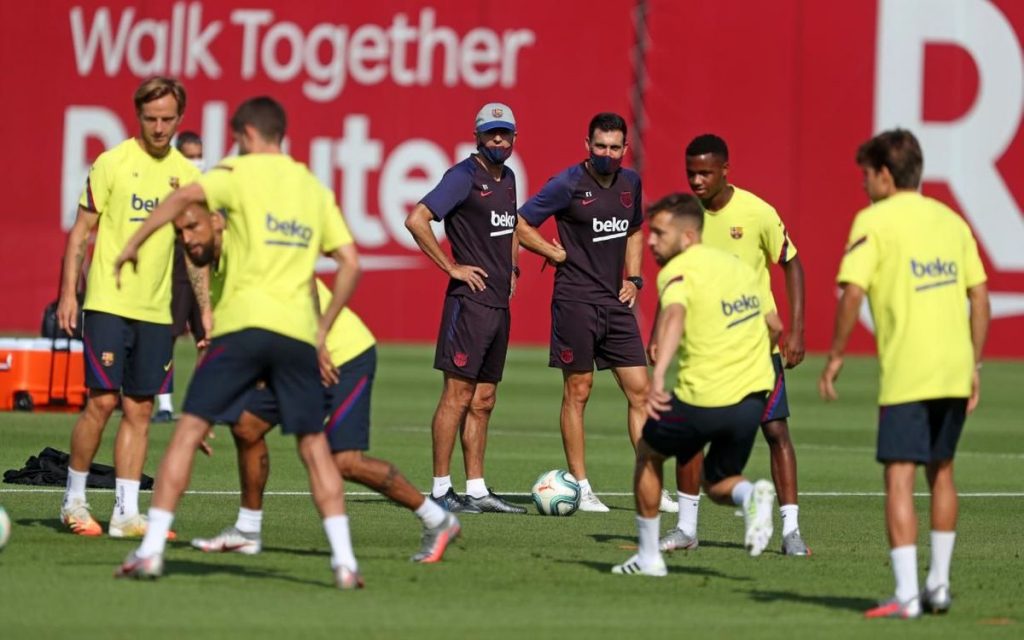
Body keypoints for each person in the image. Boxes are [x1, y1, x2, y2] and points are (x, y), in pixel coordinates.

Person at [111, 96, 364, 589]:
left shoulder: (237, 172)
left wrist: (133, 243)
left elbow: (182, 200)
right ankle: (345, 563)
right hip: (294, 334)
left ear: (247, 134)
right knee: (314, 448)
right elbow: (351, 262)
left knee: (186, 433)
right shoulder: (312, 187)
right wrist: (321, 325)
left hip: (242, 328)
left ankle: (150, 551)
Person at [174, 205, 460, 563]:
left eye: (191, 230)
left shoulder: (249, 250)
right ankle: (247, 530)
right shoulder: (210, 267)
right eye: (179, 233)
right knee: (246, 426)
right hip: (293, 361)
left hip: (341, 355)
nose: (186, 240)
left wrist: (318, 341)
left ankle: (437, 519)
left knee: (345, 461)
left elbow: (304, 280)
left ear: (216, 223)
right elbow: (218, 340)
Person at [819, 129, 989, 618]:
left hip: (909, 373)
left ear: (886, 176)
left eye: (867, 176)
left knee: (899, 477)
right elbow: (979, 296)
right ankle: (937, 585)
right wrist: (974, 363)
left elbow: (851, 292)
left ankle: (907, 596)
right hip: (955, 369)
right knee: (943, 473)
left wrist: (835, 353)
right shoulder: (951, 220)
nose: (863, 185)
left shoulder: (873, 220)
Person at [57, 77, 200, 538]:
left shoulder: (188, 175)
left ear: (180, 118)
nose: (159, 128)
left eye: (167, 119)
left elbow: (194, 252)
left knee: (140, 410)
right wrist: (67, 294)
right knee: (101, 402)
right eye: (150, 118)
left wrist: (206, 311)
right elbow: (80, 233)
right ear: (138, 115)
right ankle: (74, 501)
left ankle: (125, 512)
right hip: (108, 301)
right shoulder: (112, 162)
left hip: (158, 310)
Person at [612, 193, 779, 576]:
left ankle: (649, 557)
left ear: (687, 237)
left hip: (703, 396)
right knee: (718, 481)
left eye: (659, 233)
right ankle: (751, 495)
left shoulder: (677, 270)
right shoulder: (741, 268)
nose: (651, 241)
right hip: (752, 398)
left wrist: (657, 375)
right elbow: (775, 326)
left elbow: (674, 315)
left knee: (649, 453)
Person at [659, 134, 809, 556]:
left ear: (726, 169)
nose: (697, 180)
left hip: (757, 349)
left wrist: (795, 329)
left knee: (776, 431)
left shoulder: (757, 212)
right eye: (691, 172)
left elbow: (792, 263)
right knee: (690, 439)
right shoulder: (686, 220)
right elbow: (676, 278)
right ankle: (687, 528)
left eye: (705, 172)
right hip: (705, 350)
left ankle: (791, 530)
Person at [517, 113, 674, 513]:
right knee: (579, 390)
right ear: (587, 144)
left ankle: (651, 482)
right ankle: (582, 488)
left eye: (614, 147)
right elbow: (517, 222)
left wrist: (635, 279)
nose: (607, 153)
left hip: (616, 303)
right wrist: (551, 252)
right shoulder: (567, 184)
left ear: (625, 149)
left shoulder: (630, 183)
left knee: (640, 390)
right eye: (600, 146)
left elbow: (636, 229)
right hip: (575, 302)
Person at [404, 102, 525, 514]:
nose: (498, 139)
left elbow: (510, 226)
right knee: (457, 395)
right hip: (468, 302)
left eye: (504, 133)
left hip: (496, 303)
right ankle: (440, 489)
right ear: (478, 136)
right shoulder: (462, 176)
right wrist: (451, 267)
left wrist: (512, 268)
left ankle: (476, 490)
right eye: (491, 133)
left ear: (513, 137)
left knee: (485, 398)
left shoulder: (507, 177)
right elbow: (418, 219)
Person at [154, 131, 208, 423]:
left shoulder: (209, 187)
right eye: (190, 156)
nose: (196, 162)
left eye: (199, 155)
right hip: (176, 269)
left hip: (203, 270)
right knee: (168, 335)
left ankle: (199, 404)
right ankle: (164, 403)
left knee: (207, 337)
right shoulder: (168, 186)